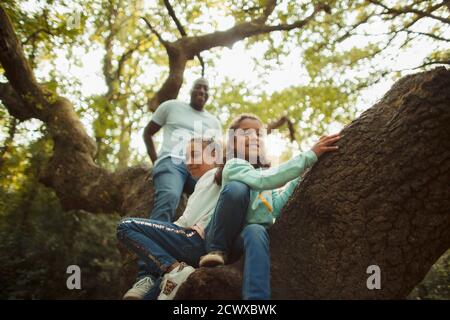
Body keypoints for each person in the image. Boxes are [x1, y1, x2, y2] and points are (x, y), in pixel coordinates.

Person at [199, 114, 341, 300]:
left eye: (259, 134)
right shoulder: (234, 165)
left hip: (245, 240)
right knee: (236, 189)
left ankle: (256, 301)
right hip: (222, 239)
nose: (255, 138)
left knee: (257, 229)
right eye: (246, 133)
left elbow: (275, 208)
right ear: (232, 143)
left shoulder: (265, 176)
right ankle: (217, 250)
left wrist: (305, 174)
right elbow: (263, 180)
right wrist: (309, 156)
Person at [123, 78, 222, 299]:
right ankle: (145, 277)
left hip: (201, 165)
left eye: (206, 88)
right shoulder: (171, 106)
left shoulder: (214, 122)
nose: (202, 91)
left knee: (220, 192)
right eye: (199, 86)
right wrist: (157, 161)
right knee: (168, 197)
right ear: (191, 89)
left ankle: (216, 250)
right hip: (172, 160)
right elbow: (148, 133)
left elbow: (216, 153)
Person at [117, 138, 222, 300]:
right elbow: (186, 221)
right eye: (187, 158)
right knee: (154, 292)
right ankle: (171, 272)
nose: (189, 163)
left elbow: (187, 222)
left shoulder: (215, 176)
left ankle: (173, 269)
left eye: (194, 155)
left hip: (194, 240)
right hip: (190, 249)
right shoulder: (202, 185)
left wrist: (164, 233)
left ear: (214, 155)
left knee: (125, 227)